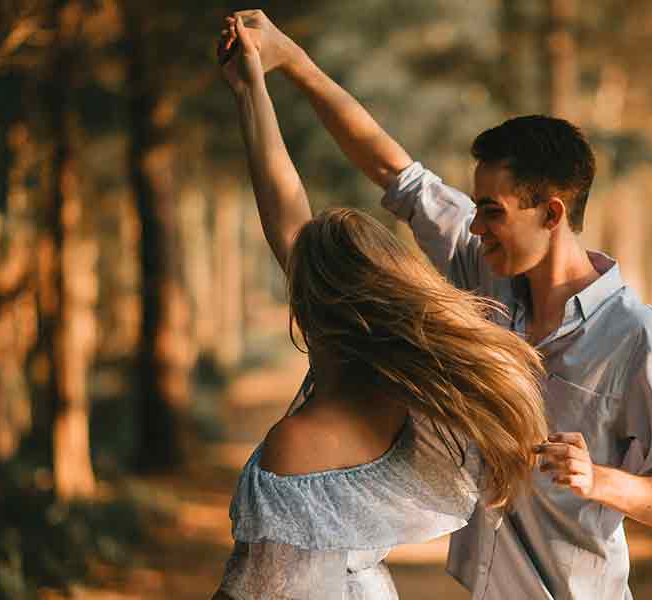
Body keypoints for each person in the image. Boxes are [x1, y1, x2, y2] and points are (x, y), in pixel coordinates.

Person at [228, 9, 652, 600]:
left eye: (492, 211)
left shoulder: (638, 338)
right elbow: (392, 171)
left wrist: (601, 480)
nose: (474, 225)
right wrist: (291, 64)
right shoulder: (483, 272)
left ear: (552, 214)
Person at [210, 19, 550, 600]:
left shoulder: (299, 442)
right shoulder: (414, 407)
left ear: (319, 306)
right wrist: (252, 89)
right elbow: (286, 212)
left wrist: (262, 82)